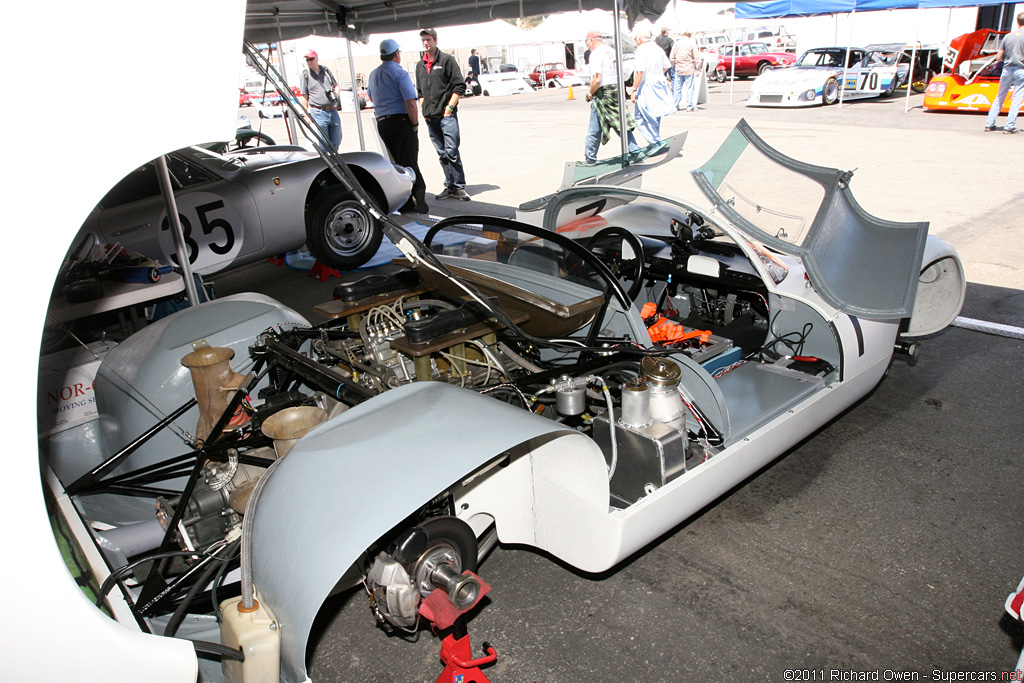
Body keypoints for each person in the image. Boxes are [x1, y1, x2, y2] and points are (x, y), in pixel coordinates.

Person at [368, 38, 428, 214]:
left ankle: (412, 198)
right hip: (400, 122)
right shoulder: (399, 74)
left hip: (383, 122)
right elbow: (410, 102)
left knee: (398, 162)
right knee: (409, 161)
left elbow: (371, 97)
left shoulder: (373, 74)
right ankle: (416, 194)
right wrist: (415, 124)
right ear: (396, 55)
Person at [416, 28, 470, 201]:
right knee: (442, 153)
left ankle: (458, 186)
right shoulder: (420, 65)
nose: (426, 43)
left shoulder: (447, 60)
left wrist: (449, 109)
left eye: (429, 39)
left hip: (446, 116)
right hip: (431, 118)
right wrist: (424, 110)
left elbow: (459, 86)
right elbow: (420, 92)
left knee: (451, 151)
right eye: (423, 40)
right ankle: (450, 185)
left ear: (435, 40)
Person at [582, 30, 638, 164]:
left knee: (594, 128)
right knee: (620, 123)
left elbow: (597, 79)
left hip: (604, 91)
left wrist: (590, 94)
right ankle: (635, 150)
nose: (587, 46)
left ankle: (590, 159)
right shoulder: (612, 50)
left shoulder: (596, 53)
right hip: (616, 88)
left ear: (591, 40)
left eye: (587, 43)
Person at [630, 29, 675, 146]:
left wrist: (634, 89)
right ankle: (655, 140)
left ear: (639, 39)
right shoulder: (657, 48)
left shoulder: (641, 50)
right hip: (659, 82)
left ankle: (656, 141)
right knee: (655, 113)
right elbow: (666, 66)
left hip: (647, 84)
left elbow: (639, 71)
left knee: (640, 117)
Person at [984, 12, 1024, 135]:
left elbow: (999, 57)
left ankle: (989, 124)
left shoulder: (1008, 36)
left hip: (1007, 69)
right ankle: (1009, 126)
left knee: (1000, 97)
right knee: (1016, 98)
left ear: (1017, 21)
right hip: (1021, 69)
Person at [298, 50, 342, 150]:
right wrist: (306, 114)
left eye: (311, 59)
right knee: (324, 141)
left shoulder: (325, 70)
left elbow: (336, 85)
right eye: (307, 60)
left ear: (317, 58)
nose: (309, 62)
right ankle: (329, 161)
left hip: (332, 109)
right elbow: (304, 96)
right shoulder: (305, 74)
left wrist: (335, 93)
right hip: (318, 111)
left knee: (337, 139)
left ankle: (335, 158)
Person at [669, 29, 702, 112]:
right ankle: (689, 106)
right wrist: (698, 68)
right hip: (689, 68)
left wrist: (674, 65)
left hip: (678, 69)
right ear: (690, 35)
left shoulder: (677, 43)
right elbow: (696, 57)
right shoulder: (692, 43)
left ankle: (675, 105)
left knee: (677, 88)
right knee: (690, 88)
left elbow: (671, 57)